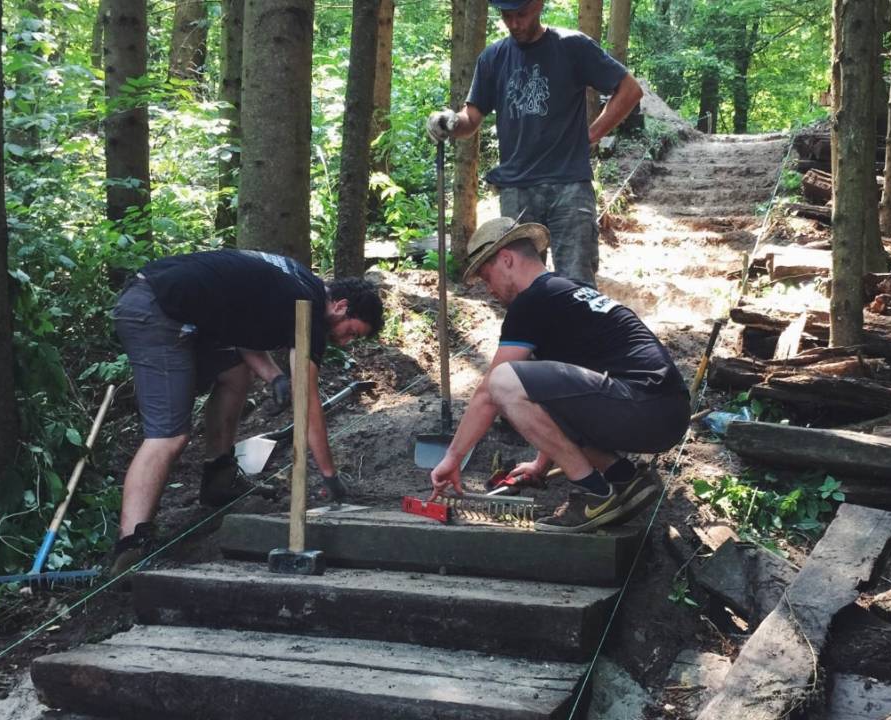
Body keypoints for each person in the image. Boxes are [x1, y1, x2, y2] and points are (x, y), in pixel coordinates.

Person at [109, 249, 383, 572]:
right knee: (168, 437)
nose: (346, 342)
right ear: (341, 306)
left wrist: (275, 376)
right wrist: (329, 475)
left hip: (165, 302)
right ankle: (131, 547)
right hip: (157, 312)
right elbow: (306, 401)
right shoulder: (307, 310)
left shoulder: (297, 284)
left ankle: (219, 477)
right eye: (351, 332)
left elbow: (238, 331)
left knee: (236, 373)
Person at [430, 217, 689, 533]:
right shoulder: (568, 292)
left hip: (642, 404)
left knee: (502, 381)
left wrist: (453, 457)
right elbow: (561, 400)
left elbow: (490, 392)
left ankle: (596, 493)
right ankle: (623, 477)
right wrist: (541, 464)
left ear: (507, 259)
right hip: (664, 411)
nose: (489, 289)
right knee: (525, 386)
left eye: (487, 277)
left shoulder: (532, 301)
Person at [426, 0, 644, 289]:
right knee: (520, 289)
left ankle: (574, 320)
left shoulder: (572, 46)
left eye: (521, 14)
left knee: (577, 287)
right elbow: (471, 119)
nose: (514, 24)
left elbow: (629, 90)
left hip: (569, 184)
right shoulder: (493, 58)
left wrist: (590, 135)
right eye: (507, 16)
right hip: (516, 188)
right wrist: (451, 121)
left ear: (539, 5)